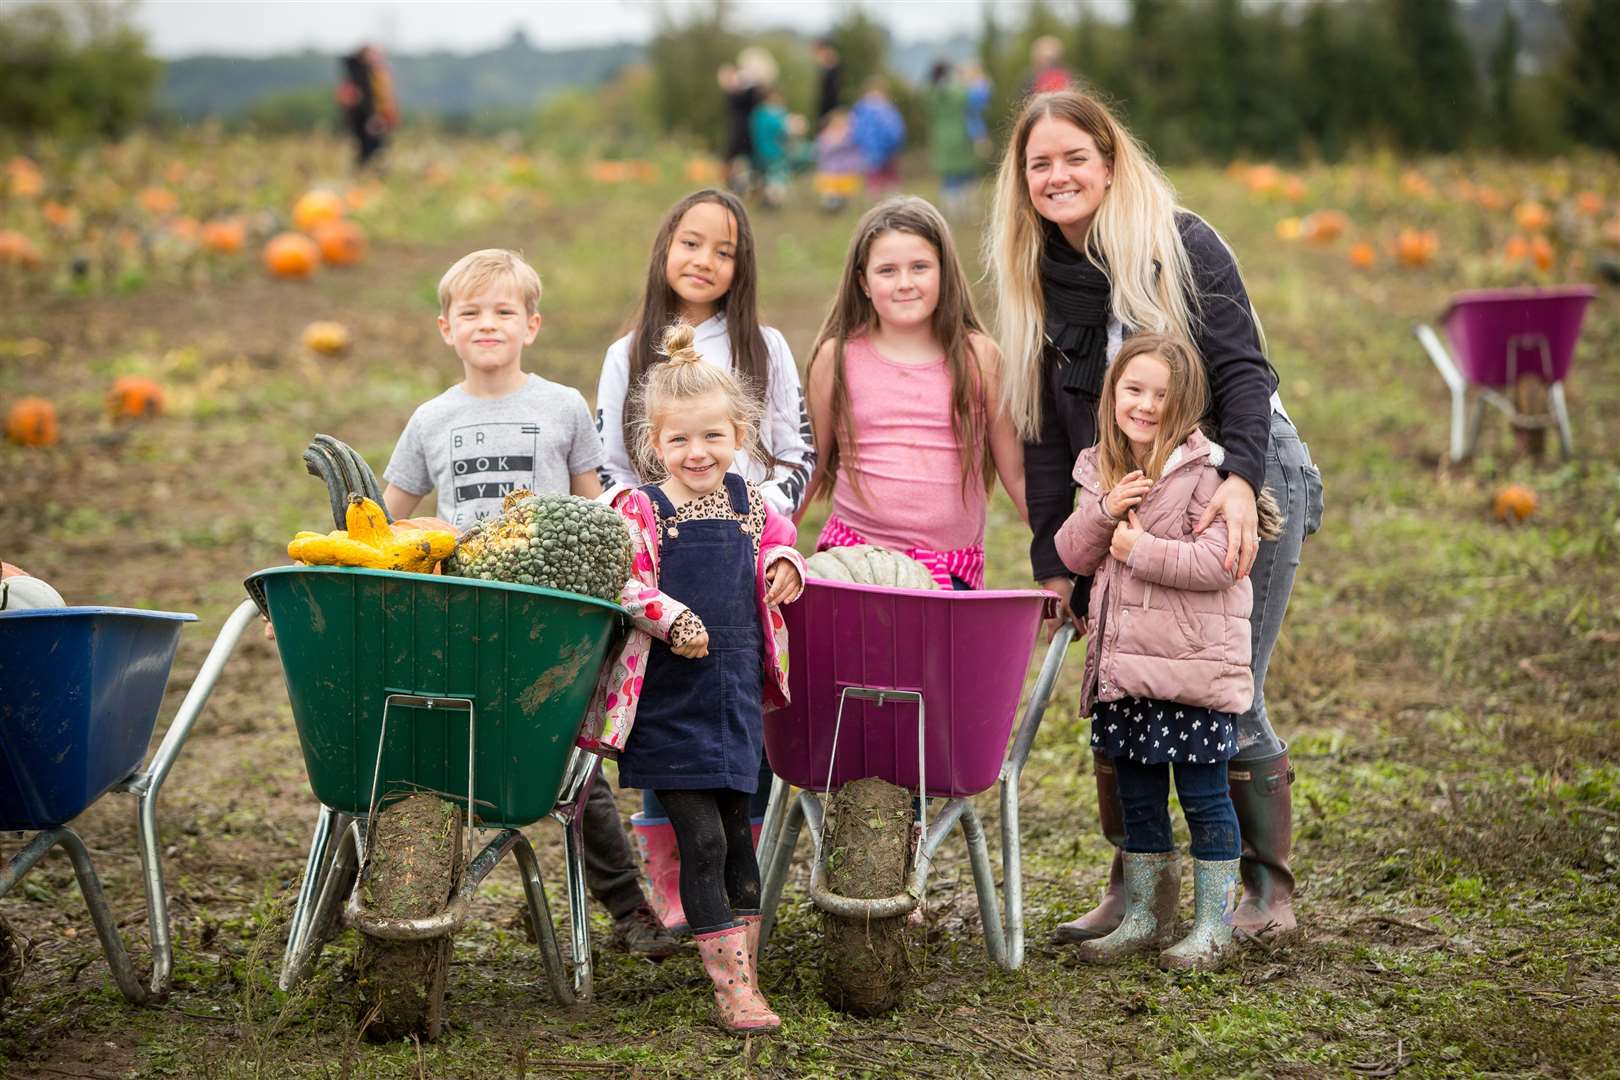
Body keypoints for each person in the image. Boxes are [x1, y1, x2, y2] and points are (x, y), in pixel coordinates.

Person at [986, 90, 1324, 944]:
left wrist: (1242, 483)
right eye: (1040, 164)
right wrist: (1053, 556)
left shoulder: (1180, 243)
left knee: (1219, 681)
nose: (1058, 176)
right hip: (1129, 492)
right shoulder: (1035, 276)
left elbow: (1246, 373)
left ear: (1110, 161)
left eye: (1075, 158)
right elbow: (1039, 432)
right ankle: (1140, 891)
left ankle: (1265, 893)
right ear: (1021, 182)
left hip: (1236, 478)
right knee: (1127, 675)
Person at [380, 249, 679, 960]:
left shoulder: (561, 407)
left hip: (553, 619)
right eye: (472, 313)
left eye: (504, 311)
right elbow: (387, 521)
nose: (489, 324)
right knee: (428, 757)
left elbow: (594, 509)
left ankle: (628, 909)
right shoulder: (431, 419)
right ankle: (384, 889)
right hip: (465, 614)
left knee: (576, 769)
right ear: (445, 328)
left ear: (532, 325)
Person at [594, 190, 814, 931]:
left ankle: (733, 868)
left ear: (741, 266)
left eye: (724, 251)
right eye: (692, 243)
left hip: (742, 556)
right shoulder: (627, 354)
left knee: (736, 705)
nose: (706, 261)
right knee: (669, 709)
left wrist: (759, 516)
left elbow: (795, 450)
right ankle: (673, 881)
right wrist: (650, 520)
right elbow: (610, 467)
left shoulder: (766, 347)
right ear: (665, 248)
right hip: (662, 561)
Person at [591, 322, 806, 1034]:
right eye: (679, 440)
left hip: (735, 695)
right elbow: (622, 584)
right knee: (702, 841)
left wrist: (786, 568)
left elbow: (783, 546)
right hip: (669, 702)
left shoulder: (753, 506)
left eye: (712, 437)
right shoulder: (641, 510)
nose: (697, 452)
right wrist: (669, 616)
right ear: (655, 444)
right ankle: (731, 993)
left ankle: (746, 972)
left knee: (740, 835)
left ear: (739, 433)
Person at [1054, 333, 1280, 970]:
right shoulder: (1100, 468)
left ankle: (1213, 925)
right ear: (1113, 394)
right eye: (1134, 390)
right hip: (1127, 672)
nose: (1146, 405)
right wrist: (1104, 512)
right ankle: (1145, 917)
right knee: (1140, 797)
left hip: (1190, 672)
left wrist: (1138, 551)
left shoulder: (1208, 472)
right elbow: (1072, 553)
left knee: (1205, 797)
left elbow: (1221, 563)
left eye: (1162, 394)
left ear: (1185, 403)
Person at [804, 195, 1025, 590]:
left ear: (944, 272)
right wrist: (768, 547)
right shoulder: (836, 357)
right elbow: (809, 466)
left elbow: (1017, 474)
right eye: (887, 270)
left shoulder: (980, 357)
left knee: (939, 656)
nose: (905, 283)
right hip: (853, 565)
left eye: (920, 267)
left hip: (949, 570)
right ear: (863, 282)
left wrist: (1062, 559)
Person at [925, 61, 980, 218]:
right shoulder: (959, 91)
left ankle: (951, 209)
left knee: (948, 176)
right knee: (964, 172)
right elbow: (976, 97)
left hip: (941, 138)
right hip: (960, 136)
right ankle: (965, 208)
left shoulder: (932, 94)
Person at [336, 45, 398, 169]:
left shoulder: (376, 73)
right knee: (370, 151)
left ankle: (370, 175)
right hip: (367, 119)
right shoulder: (362, 75)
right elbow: (367, 99)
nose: (376, 58)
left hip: (377, 117)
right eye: (372, 55)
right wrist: (372, 116)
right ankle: (369, 176)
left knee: (376, 150)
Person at [850, 77, 906, 195]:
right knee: (874, 178)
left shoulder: (889, 110)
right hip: (871, 151)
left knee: (890, 177)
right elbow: (858, 132)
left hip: (889, 150)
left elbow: (897, 130)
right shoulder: (862, 111)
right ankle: (876, 203)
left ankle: (893, 202)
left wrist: (895, 145)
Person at [813, 109, 864, 213]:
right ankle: (830, 209)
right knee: (830, 194)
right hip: (830, 171)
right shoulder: (825, 137)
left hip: (847, 171)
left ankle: (841, 208)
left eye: (845, 125)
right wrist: (835, 141)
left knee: (845, 194)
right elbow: (821, 150)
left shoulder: (852, 137)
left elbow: (857, 152)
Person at [813, 39, 843, 127]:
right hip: (827, 113)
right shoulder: (828, 71)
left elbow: (832, 95)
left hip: (829, 115)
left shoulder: (832, 72)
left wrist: (828, 116)